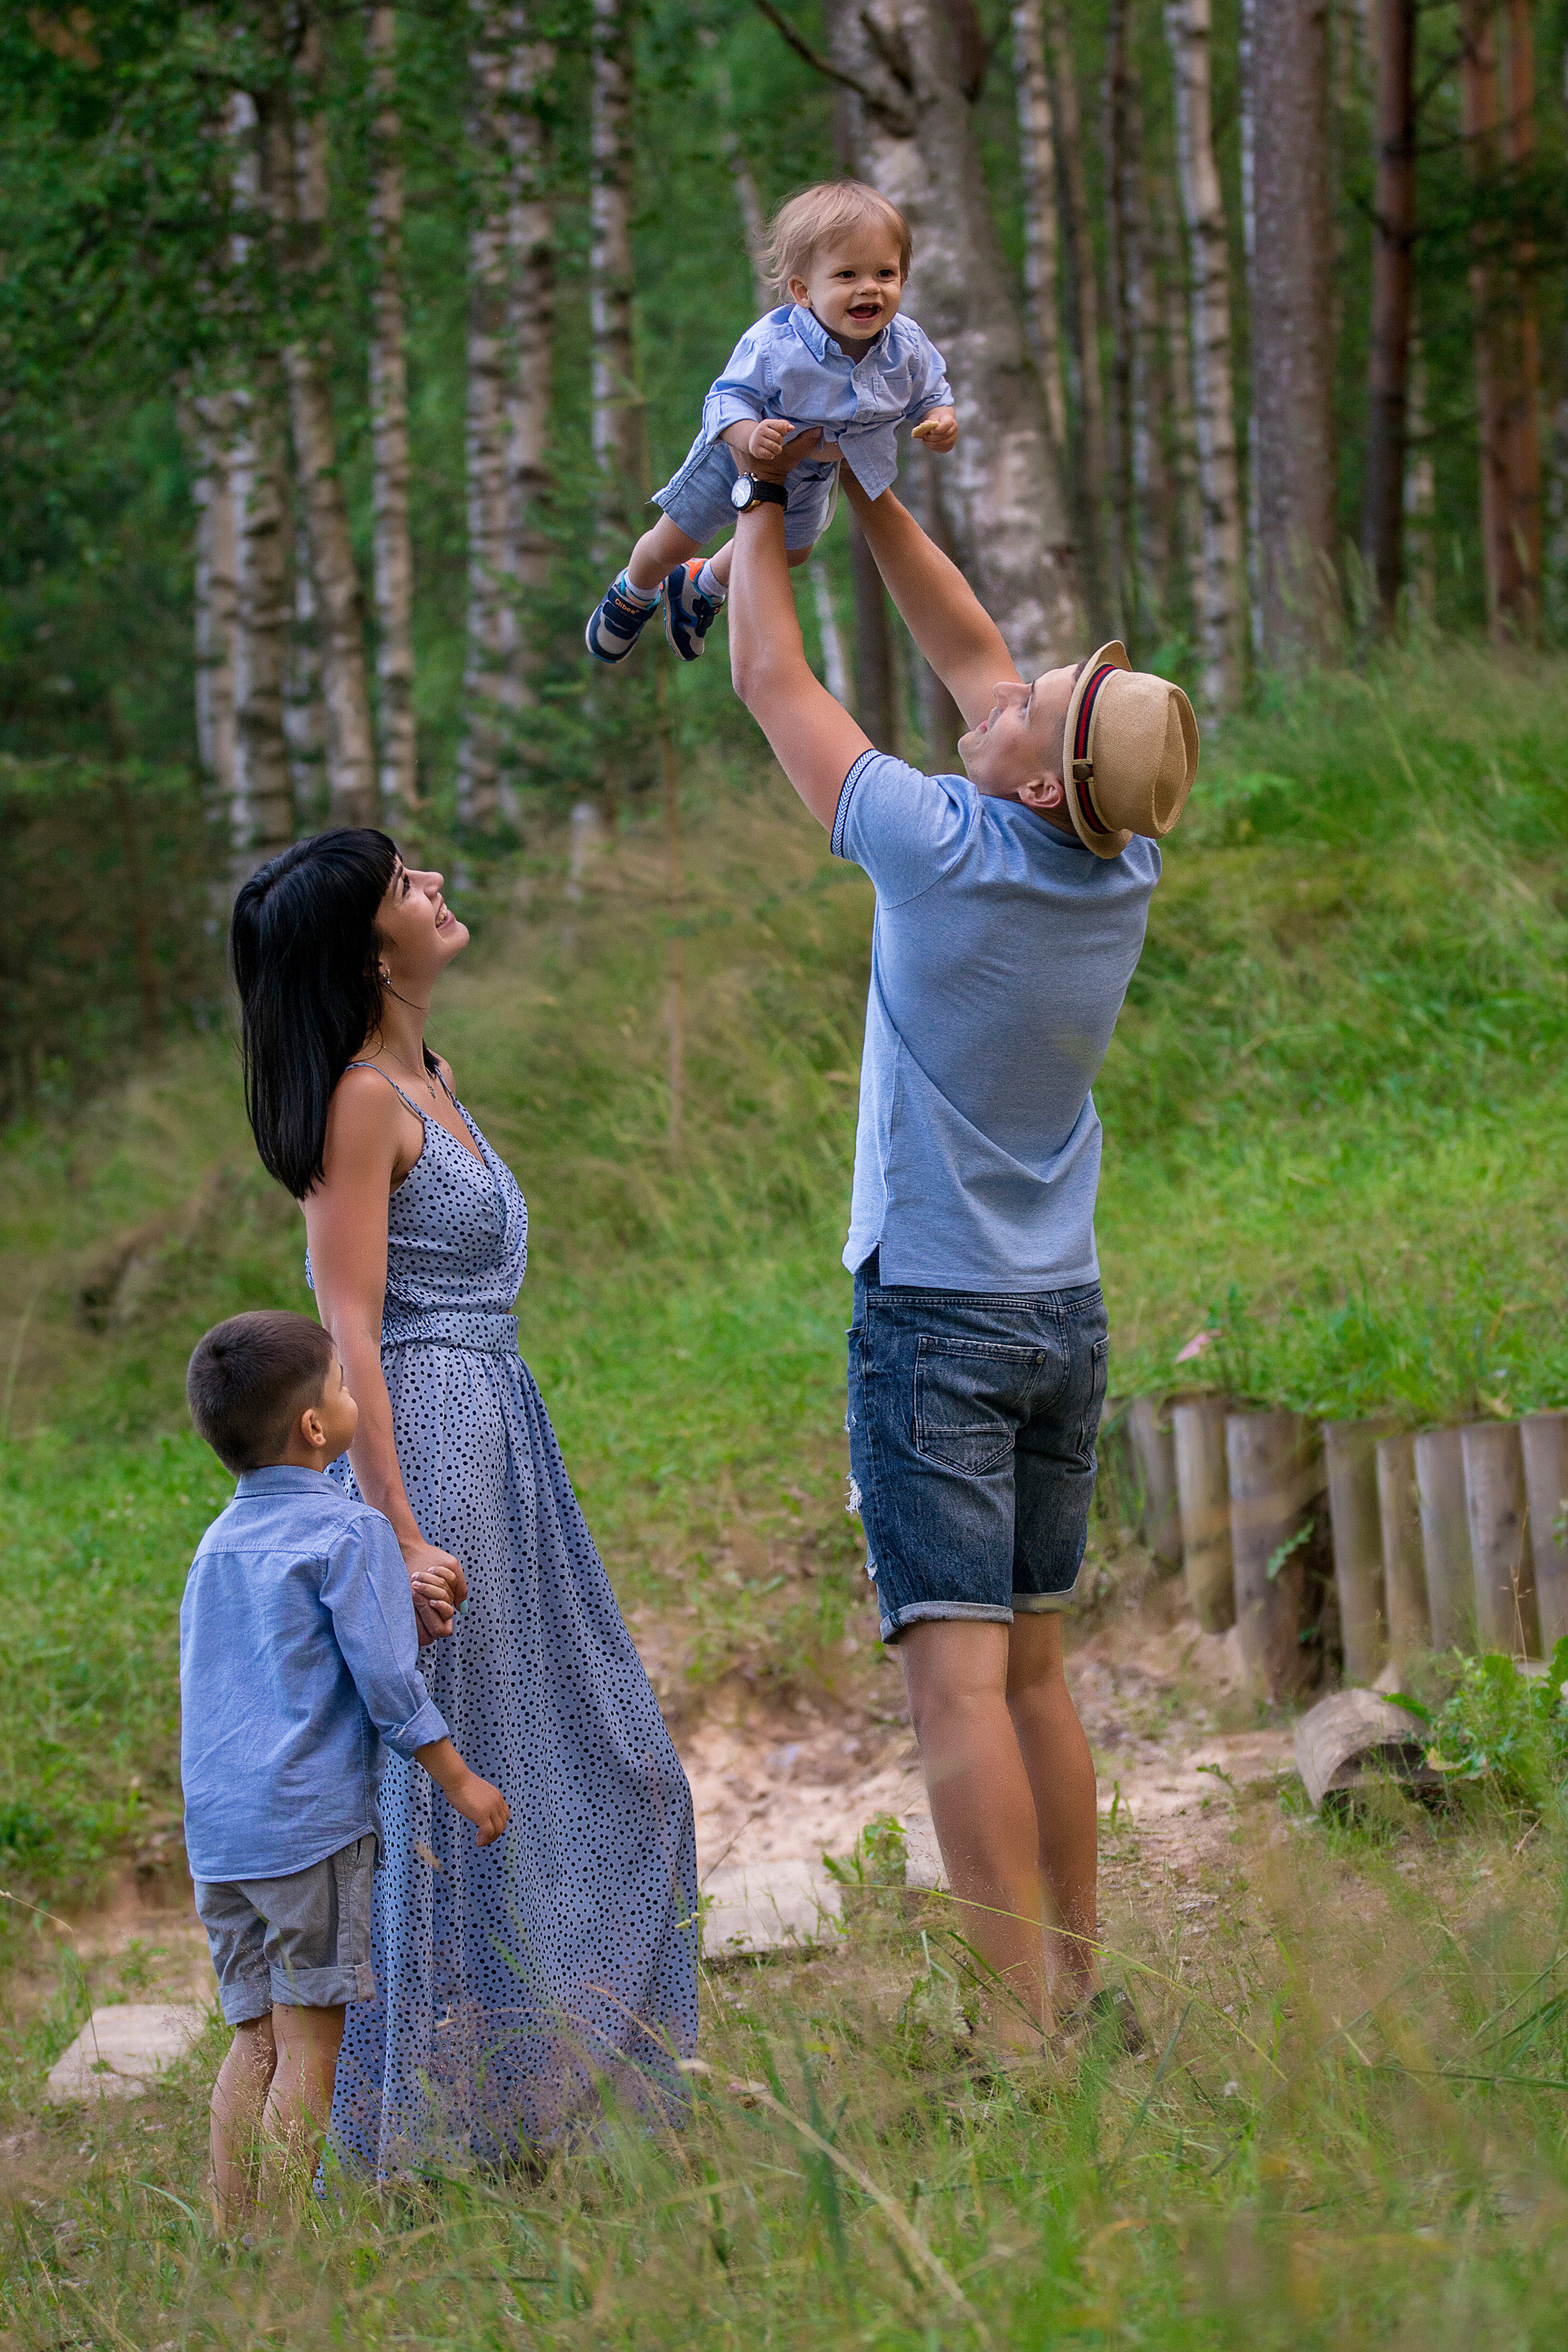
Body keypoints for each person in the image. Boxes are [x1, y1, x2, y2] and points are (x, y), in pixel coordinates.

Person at [725, 441, 1197, 2056]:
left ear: (1036, 777)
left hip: (933, 1320)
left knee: (955, 1694)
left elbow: (770, 675)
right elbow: (975, 659)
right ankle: (1075, 1981)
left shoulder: (932, 845)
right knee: (1040, 1679)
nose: (1001, 682)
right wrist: (861, 489)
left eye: (1033, 701)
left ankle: (1017, 2036)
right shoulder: (1112, 864)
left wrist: (751, 505)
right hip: (1057, 1313)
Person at [229, 834, 699, 2174]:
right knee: (459, 1775)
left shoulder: (431, 1078)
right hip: (426, 1445)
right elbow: (349, 1333)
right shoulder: (360, 1104)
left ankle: (536, 2091)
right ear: (373, 953)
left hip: (500, 1432)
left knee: (594, 1753)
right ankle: (444, 2132)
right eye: (406, 888)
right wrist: (397, 1529)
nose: (437, 888)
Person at [180, 1308, 510, 2223]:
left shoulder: (216, 1546)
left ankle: (231, 2238)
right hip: (307, 1830)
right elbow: (386, 1682)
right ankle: (282, 2252)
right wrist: (457, 1776)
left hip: (221, 1837)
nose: (357, 1392)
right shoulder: (349, 1533)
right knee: (309, 2047)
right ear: (315, 1429)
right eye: (343, 1382)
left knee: (252, 2045)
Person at [584, 178, 956, 667]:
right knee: (674, 542)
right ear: (803, 290)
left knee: (794, 552)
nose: (870, 288)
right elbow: (726, 398)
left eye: (885, 273)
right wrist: (747, 435)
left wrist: (940, 420)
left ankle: (703, 585)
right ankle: (635, 590)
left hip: (812, 472)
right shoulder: (775, 345)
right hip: (735, 456)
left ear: (903, 279)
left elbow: (932, 392)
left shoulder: (905, 345)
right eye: (846, 275)